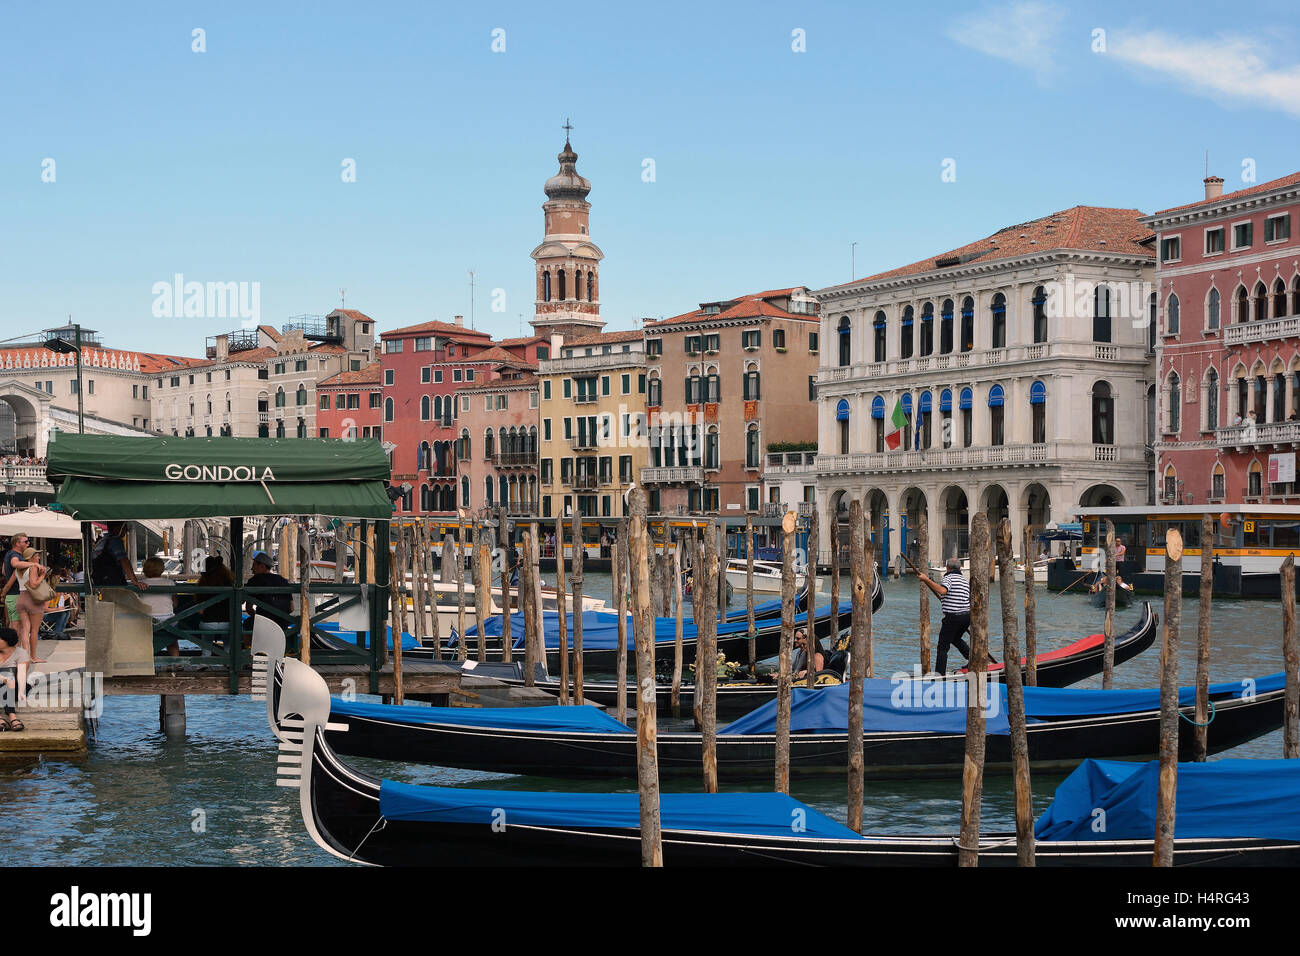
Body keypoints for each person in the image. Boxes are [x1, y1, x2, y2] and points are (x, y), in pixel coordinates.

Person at [918, 557, 995, 675]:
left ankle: (939, 674)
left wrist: (926, 579)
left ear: (947, 568)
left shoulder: (949, 578)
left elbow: (942, 591)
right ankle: (971, 660)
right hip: (966, 617)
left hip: (953, 617)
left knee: (942, 647)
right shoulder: (963, 580)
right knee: (955, 638)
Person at [14, 546, 50, 664]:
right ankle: (33, 657)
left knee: (25, 629)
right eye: (37, 555)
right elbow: (34, 585)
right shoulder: (34, 567)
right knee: (34, 630)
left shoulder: (19, 569)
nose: (39, 557)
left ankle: (24, 655)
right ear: (31, 558)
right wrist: (42, 577)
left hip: (21, 598)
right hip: (32, 600)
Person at [91, 522, 149, 591]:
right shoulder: (115, 540)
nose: (126, 530)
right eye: (125, 528)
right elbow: (124, 560)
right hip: (112, 582)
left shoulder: (103, 540)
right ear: (118, 528)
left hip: (100, 582)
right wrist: (135, 581)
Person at [140, 557, 179, 657]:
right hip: (168, 620)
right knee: (172, 640)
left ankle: (143, 660)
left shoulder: (140, 584)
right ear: (161, 569)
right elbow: (175, 604)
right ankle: (176, 662)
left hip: (146, 621)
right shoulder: (170, 583)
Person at [244, 551, 292, 625]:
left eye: (254, 565)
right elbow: (292, 607)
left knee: (246, 625)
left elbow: (249, 608)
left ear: (262, 566)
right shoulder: (282, 580)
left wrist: (258, 618)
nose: (251, 569)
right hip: (283, 623)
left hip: (263, 623)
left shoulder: (255, 580)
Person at [0, 627, 31, 731]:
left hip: (14, 684)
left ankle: (8, 718)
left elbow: (21, 674)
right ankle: (12, 717)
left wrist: (21, 691)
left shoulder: (21, 653)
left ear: (7, 640)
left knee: (9, 688)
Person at [0, 533, 33, 629]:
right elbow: (15, 564)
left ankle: (11, 644)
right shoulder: (15, 555)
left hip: (10, 595)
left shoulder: (8, 554)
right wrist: (33, 564)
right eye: (26, 541)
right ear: (17, 544)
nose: (28, 543)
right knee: (17, 625)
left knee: (13, 624)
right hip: (16, 594)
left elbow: (3, 571)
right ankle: (14, 644)